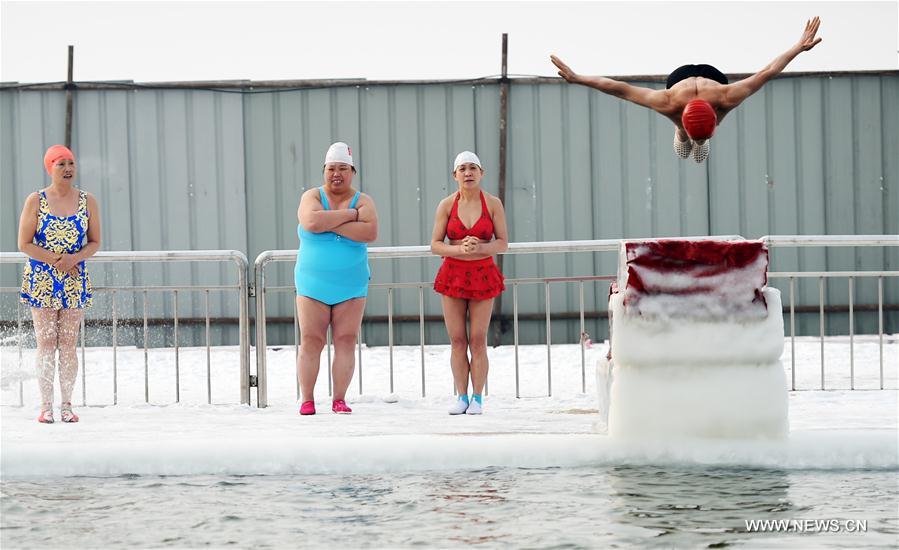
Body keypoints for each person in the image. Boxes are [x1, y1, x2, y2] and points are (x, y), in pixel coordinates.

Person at [550, 16, 822, 163]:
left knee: (700, 146)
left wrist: (799, 47)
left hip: (709, 82)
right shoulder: (669, 103)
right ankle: (682, 133)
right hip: (682, 85)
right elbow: (618, 88)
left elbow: (619, 88)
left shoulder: (725, 98)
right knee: (684, 144)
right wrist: (577, 77)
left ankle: (697, 139)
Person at [18, 145, 101, 424]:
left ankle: (67, 404)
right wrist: (56, 260)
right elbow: (24, 243)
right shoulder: (36, 200)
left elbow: (95, 241)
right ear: (50, 168)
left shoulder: (87, 200)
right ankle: (45, 406)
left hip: (74, 278)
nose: (67, 168)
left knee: (68, 343)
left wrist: (74, 258)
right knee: (46, 342)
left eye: (71, 163)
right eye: (60, 164)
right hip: (42, 278)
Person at [295, 142, 378, 415]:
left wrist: (329, 221)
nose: (336, 174)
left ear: (352, 171)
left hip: (351, 284)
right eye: (331, 168)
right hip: (312, 283)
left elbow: (369, 232)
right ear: (324, 171)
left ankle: (339, 398)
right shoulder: (312, 197)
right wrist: (350, 217)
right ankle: (307, 399)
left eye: (343, 168)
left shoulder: (364, 200)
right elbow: (311, 223)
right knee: (311, 340)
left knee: (345, 339)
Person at [431, 151, 508, 415]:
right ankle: (460, 395)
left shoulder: (493, 204)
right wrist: (460, 249)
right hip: (453, 275)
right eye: (462, 169)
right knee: (457, 340)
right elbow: (435, 244)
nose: (468, 173)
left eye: (473, 168)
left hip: (483, 274)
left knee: (478, 339)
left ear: (481, 173)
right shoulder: (446, 205)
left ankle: (477, 397)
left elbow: (503, 243)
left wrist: (482, 246)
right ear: (455, 175)